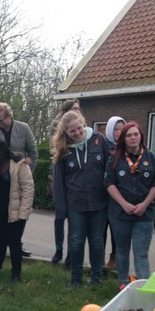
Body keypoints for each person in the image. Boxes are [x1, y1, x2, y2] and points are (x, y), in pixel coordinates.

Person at [51, 111, 112, 289]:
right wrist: (61, 210)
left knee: (96, 240)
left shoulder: (99, 140)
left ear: (83, 123)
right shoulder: (63, 150)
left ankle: (96, 278)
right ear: (65, 132)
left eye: (79, 128)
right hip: (75, 204)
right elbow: (58, 183)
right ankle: (75, 278)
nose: (77, 133)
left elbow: (110, 170)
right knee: (76, 240)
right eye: (72, 131)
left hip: (98, 202)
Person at [105, 122, 155, 284]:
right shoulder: (114, 159)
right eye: (129, 135)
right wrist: (124, 204)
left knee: (141, 252)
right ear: (123, 139)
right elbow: (109, 183)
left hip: (144, 214)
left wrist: (144, 204)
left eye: (135, 134)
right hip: (120, 213)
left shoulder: (152, 158)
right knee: (122, 250)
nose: (133, 138)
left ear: (140, 136)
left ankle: (144, 286)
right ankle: (123, 284)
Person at [0, 102, 38, 258]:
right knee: (1, 216)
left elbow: (33, 153)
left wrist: (25, 172)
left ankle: (17, 244)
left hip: (18, 180)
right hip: (0, 180)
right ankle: (1, 248)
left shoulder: (24, 128)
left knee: (18, 214)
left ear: (9, 116)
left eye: (1, 120)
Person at [0, 138, 34, 283]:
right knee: (0, 241)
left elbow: (28, 189)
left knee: (14, 242)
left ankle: (16, 274)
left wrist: (24, 213)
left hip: (15, 211)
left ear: (2, 151)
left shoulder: (19, 165)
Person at [49, 100, 80, 265]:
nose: (77, 111)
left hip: (76, 180)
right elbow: (54, 149)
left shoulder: (81, 128)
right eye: (74, 108)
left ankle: (71, 253)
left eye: (78, 108)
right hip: (60, 175)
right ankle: (59, 249)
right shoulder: (57, 126)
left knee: (74, 220)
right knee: (60, 216)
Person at [102, 115, 127, 272]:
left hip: (120, 196)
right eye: (116, 129)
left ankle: (115, 259)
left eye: (121, 129)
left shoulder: (127, 148)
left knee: (117, 230)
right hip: (103, 195)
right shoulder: (104, 147)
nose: (119, 132)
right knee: (101, 229)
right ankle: (99, 258)